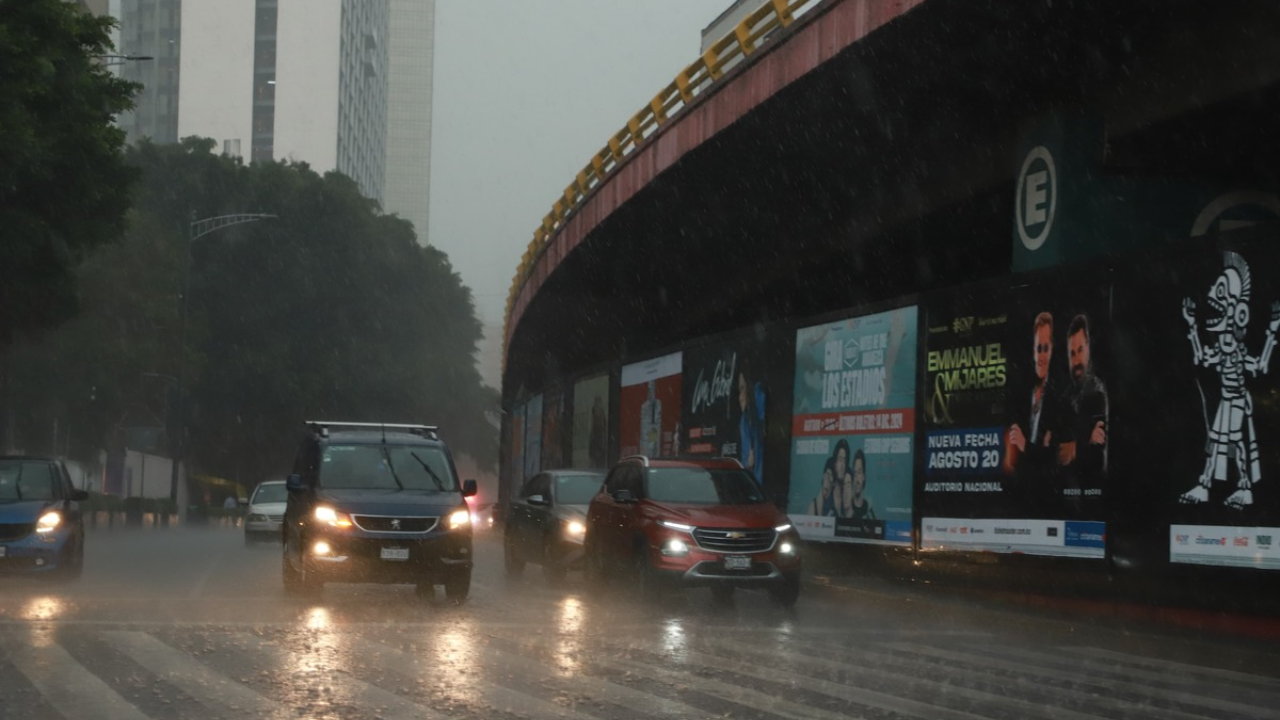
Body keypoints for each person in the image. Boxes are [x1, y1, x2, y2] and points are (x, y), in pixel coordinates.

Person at [1006, 311, 1059, 482]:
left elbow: (1052, 459)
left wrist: (1026, 447)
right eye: (1038, 349)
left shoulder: (1058, 395)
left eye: (1045, 348)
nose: (1041, 356)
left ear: (1051, 350)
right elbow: (1013, 457)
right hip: (1021, 484)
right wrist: (1037, 451)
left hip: (1046, 486)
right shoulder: (1023, 391)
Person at [1057, 314, 1108, 490]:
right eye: (1072, 354)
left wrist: (1073, 450)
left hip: (1095, 490)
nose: (1076, 360)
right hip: (1065, 492)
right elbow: (1055, 454)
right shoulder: (1064, 400)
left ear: (1088, 348)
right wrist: (1084, 444)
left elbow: (1097, 456)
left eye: (1080, 350)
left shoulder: (1099, 393)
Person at [736, 365, 764, 483]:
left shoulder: (759, 399)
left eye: (743, 388)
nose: (740, 397)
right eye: (739, 391)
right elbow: (746, 461)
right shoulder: (744, 420)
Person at [847, 449, 876, 520]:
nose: (857, 480)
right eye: (855, 473)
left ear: (864, 477)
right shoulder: (847, 508)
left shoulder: (870, 512)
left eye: (859, 473)